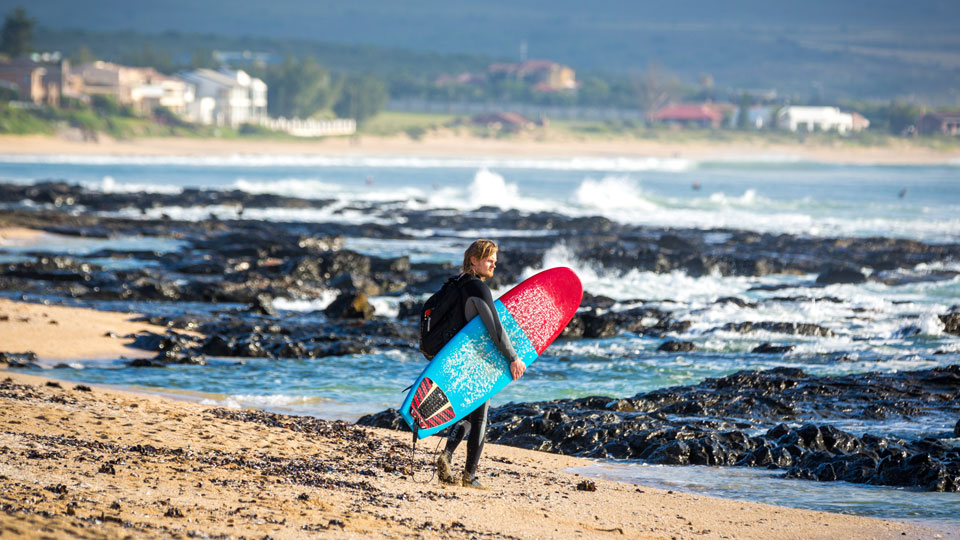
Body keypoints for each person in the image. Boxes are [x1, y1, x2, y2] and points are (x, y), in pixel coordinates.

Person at [435, 239, 524, 489]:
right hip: (477, 360)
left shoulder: (456, 284)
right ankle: (469, 475)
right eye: (489, 259)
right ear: (474, 260)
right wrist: (513, 358)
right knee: (480, 416)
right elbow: (495, 328)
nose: (494, 263)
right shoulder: (478, 289)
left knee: (465, 411)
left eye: (495, 258)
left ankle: (447, 455)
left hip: (454, 358)